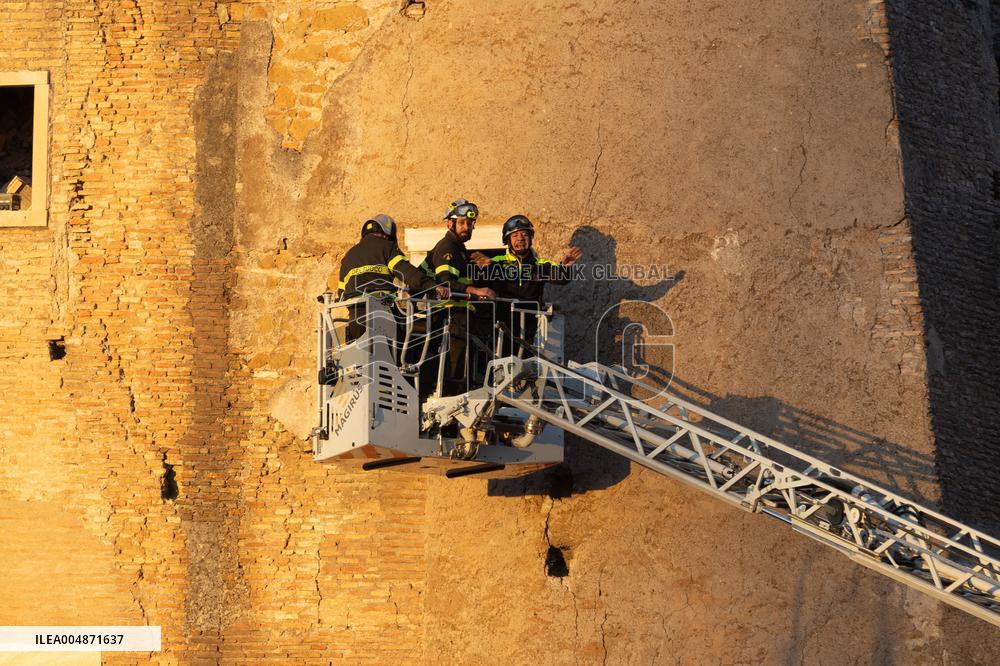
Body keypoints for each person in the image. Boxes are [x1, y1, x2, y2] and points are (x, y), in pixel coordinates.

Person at [422, 198, 496, 394]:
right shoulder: (448, 247)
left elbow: (460, 279)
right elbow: (445, 283)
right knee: (453, 370)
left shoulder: (459, 250)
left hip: (457, 317)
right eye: (462, 223)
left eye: (470, 224)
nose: (466, 228)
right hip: (446, 316)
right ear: (450, 223)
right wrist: (477, 291)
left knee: (461, 367)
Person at [337, 213, 446, 343]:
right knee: (398, 352)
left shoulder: (349, 256)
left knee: (362, 361)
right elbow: (407, 273)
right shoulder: (387, 247)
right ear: (387, 234)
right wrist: (433, 286)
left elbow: (341, 293)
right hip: (380, 317)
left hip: (355, 321)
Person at [487, 214, 582, 356]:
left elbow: (561, 278)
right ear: (508, 241)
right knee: (500, 368)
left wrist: (565, 266)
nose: (520, 238)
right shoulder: (496, 262)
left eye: (524, 234)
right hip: (501, 327)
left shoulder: (541, 265)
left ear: (531, 238)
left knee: (528, 369)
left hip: (530, 329)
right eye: (515, 236)